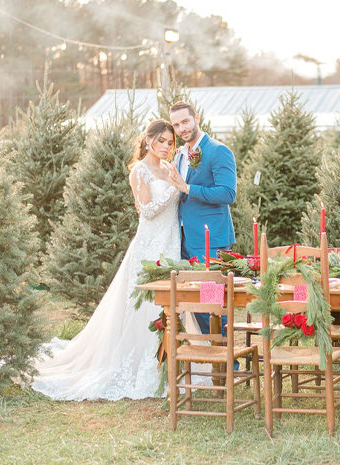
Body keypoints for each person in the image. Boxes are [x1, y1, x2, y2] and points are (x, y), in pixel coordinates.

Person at [31, 119, 202, 400]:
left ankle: (171, 362)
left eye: (170, 143)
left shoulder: (169, 168)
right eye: (161, 141)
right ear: (148, 140)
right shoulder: (140, 171)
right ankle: (142, 366)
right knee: (146, 304)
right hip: (149, 246)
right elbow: (146, 211)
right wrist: (176, 188)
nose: (166, 147)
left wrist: (177, 183)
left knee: (172, 302)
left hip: (171, 244)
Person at [166, 101, 237, 334]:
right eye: (176, 125)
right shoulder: (180, 155)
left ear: (196, 117)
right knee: (193, 303)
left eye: (185, 121)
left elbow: (228, 193)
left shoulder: (218, 151)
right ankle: (207, 357)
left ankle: (227, 365)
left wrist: (188, 189)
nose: (181, 128)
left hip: (210, 240)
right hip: (183, 238)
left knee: (213, 304)